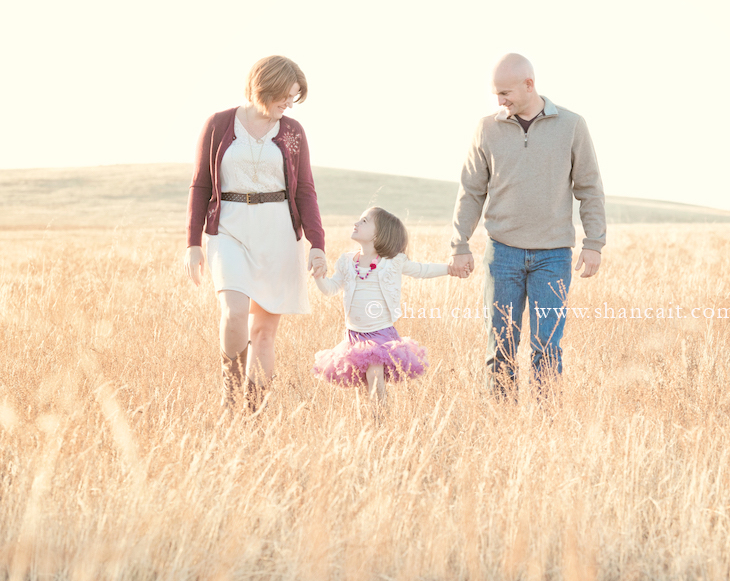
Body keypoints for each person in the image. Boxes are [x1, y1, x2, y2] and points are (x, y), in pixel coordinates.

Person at [450, 53, 606, 398]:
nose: (500, 101)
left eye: (505, 93)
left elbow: (590, 188)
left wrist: (594, 242)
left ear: (529, 84)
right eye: (496, 94)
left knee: (546, 347)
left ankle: (545, 428)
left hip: (553, 257)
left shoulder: (571, 125)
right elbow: (471, 191)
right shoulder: (487, 128)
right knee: (501, 346)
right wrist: (459, 244)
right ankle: (503, 428)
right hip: (502, 253)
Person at [185, 55, 326, 414]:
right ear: (265, 87)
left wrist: (317, 244)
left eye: (294, 98)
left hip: (278, 233)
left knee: (263, 333)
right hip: (229, 228)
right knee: (233, 312)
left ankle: (254, 412)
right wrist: (193, 244)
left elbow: (305, 190)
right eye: (285, 96)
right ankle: (230, 396)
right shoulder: (219, 124)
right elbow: (201, 185)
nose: (289, 105)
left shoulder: (293, 132)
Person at [312, 207, 457, 404]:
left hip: (380, 332)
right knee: (361, 382)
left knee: (374, 373)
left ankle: (381, 414)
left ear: (380, 233)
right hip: (355, 334)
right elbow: (330, 288)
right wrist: (319, 277)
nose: (356, 223)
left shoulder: (392, 261)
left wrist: (450, 269)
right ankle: (369, 420)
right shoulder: (346, 261)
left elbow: (422, 270)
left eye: (364, 221)